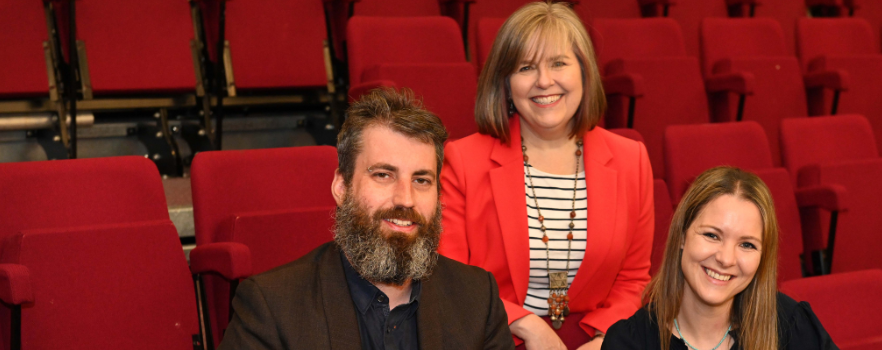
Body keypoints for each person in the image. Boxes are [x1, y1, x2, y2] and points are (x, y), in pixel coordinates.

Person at [219, 88, 515, 350]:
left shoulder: (477, 299)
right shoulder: (272, 307)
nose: (405, 199)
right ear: (342, 187)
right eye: (383, 175)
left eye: (422, 180)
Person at [439, 2, 654, 349]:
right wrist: (528, 327)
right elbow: (450, 276)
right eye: (526, 67)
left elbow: (633, 279)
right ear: (506, 83)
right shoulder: (463, 160)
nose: (544, 81)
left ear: (584, 72)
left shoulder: (632, 160)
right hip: (495, 336)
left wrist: (606, 339)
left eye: (558, 63)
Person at [601, 167, 837, 350]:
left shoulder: (791, 324)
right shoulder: (628, 342)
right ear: (682, 236)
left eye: (747, 244)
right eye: (712, 235)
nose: (726, 259)